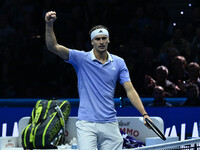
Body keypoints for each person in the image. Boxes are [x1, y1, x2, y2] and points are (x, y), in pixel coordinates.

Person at [45, 11, 150, 150]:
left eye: (104, 38)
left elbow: (130, 90)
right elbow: (53, 47)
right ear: (92, 42)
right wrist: (49, 24)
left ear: (108, 40)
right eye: (98, 39)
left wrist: (144, 113)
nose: (101, 42)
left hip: (110, 123)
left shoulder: (119, 62)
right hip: (86, 124)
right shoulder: (81, 59)